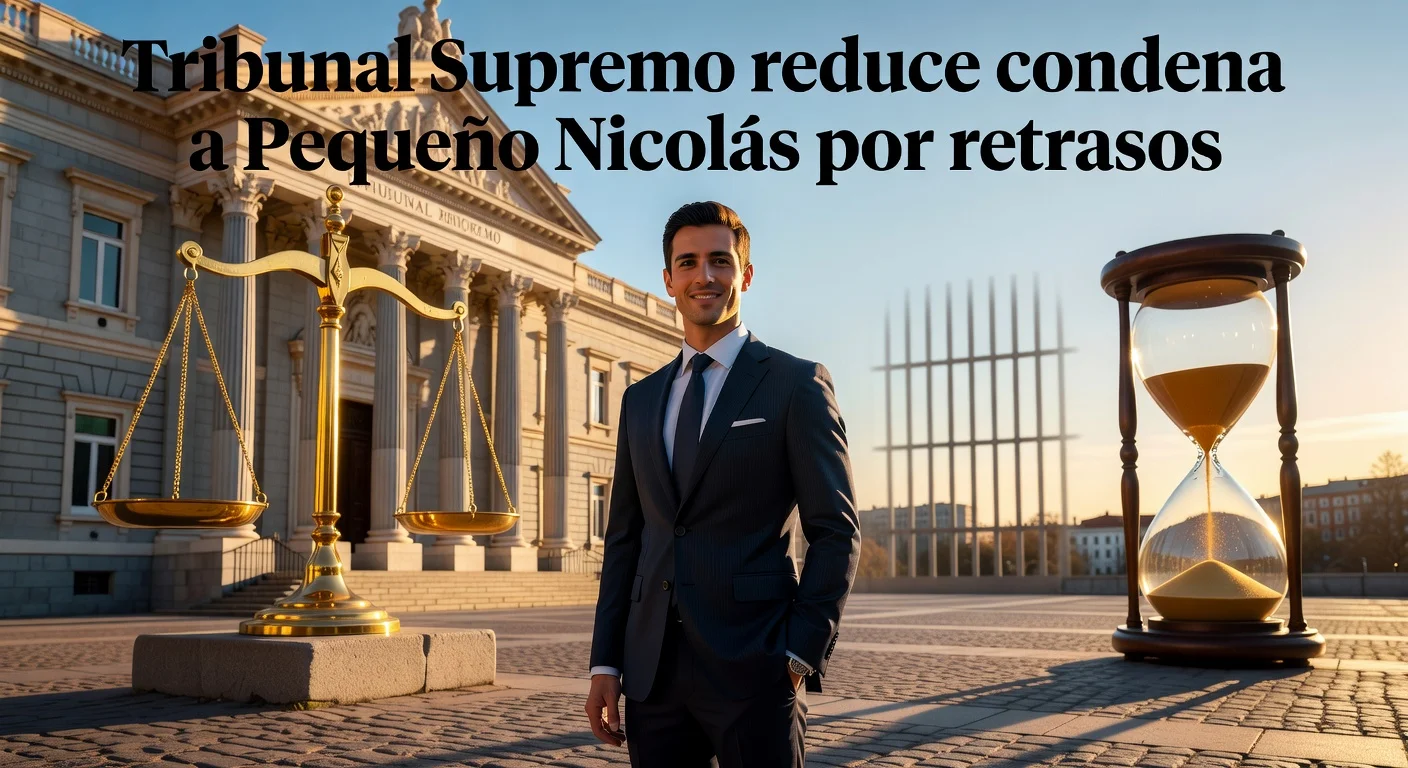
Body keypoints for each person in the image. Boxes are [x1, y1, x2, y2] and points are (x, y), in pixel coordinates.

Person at [584, 201, 861, 766]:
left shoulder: (796, 384)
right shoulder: (640, 400)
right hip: (651, 676)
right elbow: (626, 541)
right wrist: (606, 663)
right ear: (668, 279)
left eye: (719, 261)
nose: (703, 276)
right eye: (687, 263)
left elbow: (836, 531)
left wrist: (800, 653)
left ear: (746, 274)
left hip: (756, 670)